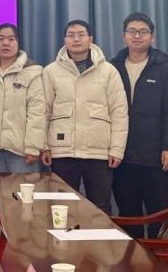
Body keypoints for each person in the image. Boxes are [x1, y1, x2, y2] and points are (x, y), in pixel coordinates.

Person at [41, 20, 128, 214]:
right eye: (71, 35)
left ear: (90, 39)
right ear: (64, 40)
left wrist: (117, 149)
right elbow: (43, 111)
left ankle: (100, 236)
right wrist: (44, 146)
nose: (76, 39)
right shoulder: (50, 71)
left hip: (98, 152)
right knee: (61, 206)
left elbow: (119, 112)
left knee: (100, 207)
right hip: (62, 151)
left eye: (81, 35)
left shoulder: (108, 71)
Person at [109, 13, 168, 237]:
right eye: (132, 31)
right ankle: (133, 257)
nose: (137, 36)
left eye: (143, 32)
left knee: (159, 214)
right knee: (128, 213)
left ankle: (158, 256)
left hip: (156, 157)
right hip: (123, 156)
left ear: (152, 37)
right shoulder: (113, 67)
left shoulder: (165, 67)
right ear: (124, 36)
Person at [0, 23, 45, 173]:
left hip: (21, 152)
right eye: (0, 39)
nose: (5, 43)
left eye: (11, 39)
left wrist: (33, 147)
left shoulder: (32, 73)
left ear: (18, 43)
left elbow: (37, 113)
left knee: (21, 189)